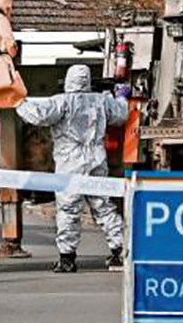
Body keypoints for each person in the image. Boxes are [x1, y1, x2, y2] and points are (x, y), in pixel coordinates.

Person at [16, 64, 129, 273]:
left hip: (70, 161)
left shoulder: (62, 101)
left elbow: (38, 115)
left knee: (68, 209)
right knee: (103, 206)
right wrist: (121, 96)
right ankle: (120, 251)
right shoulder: (101, 100)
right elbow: (121, 115)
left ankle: (67, 258)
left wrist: (16, 101)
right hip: (96, 158)